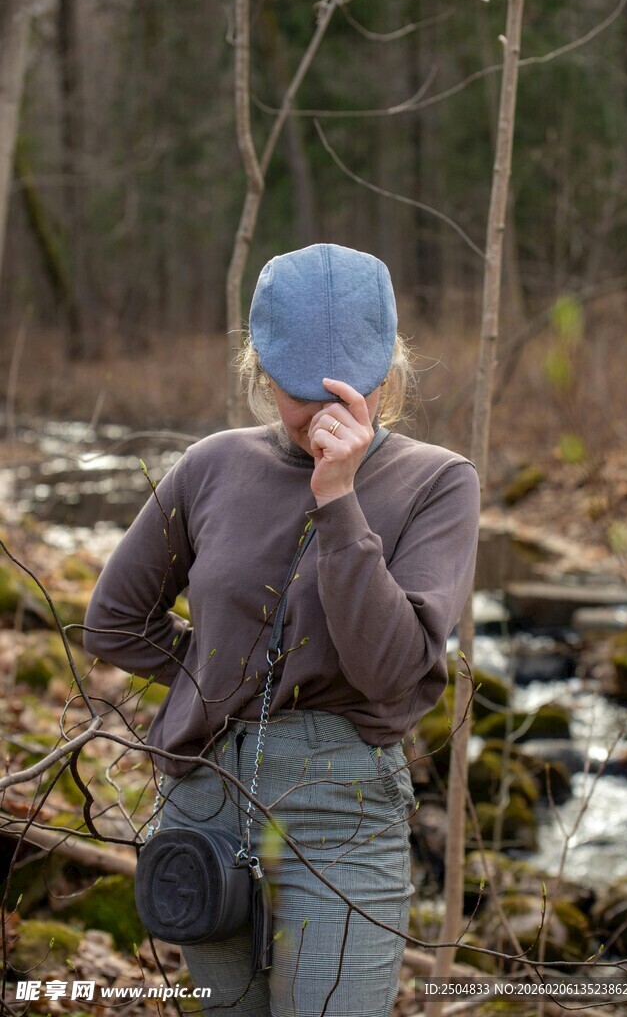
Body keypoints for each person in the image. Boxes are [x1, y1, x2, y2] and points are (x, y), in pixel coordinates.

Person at [84, 243, 480, 1017]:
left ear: (388, 370)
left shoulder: (436, 482)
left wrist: (339, 501)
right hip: (204, 799)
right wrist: (217, 671)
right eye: (301, 387)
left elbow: (394, 671)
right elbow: (115, 621)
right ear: (260, 369)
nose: (324, 409)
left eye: (349, 382)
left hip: (343, 809)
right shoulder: (211, 465)